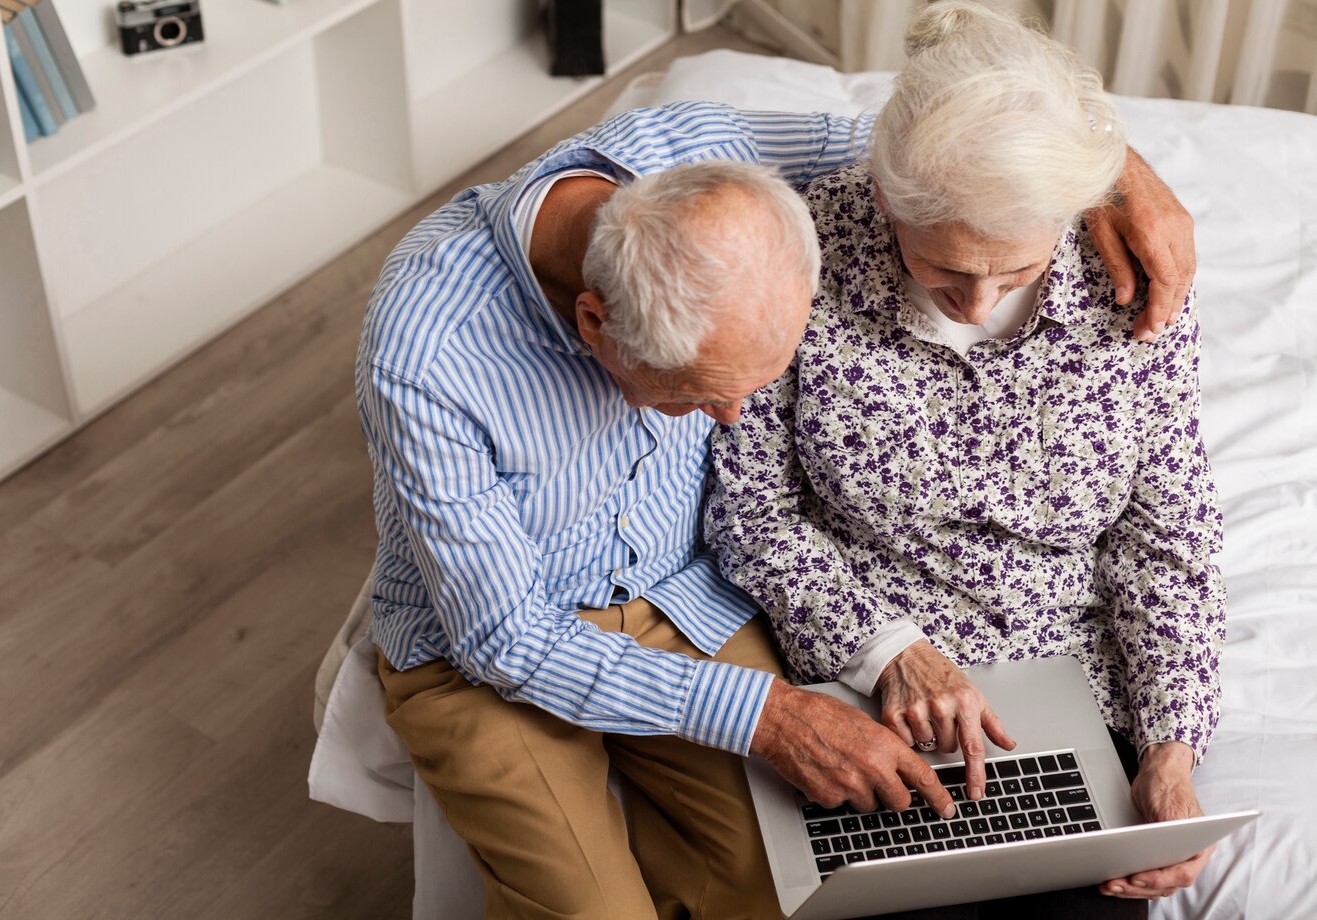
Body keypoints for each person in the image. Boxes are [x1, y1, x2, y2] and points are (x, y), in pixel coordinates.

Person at [356, 96, 1197, 918]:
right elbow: (507, 640)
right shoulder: (427, 350)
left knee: (818, 883)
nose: (731, 425)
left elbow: (943, 145)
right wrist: (767, 715)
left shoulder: (700, 149)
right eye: (693, 397)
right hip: (492, 651)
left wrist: (1120, 175)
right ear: (592, 321)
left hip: (684, 596)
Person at [705, 4, 1226, 917]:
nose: (980, 301)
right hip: (865, 691)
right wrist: (890, 653)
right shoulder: (797, 261)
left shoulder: (1137, 290)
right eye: (945, 270)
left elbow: (1166, 536)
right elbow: (753, 514)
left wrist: (1169, 752)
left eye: (1015, 272)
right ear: (883, 198)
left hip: (1069, 683)